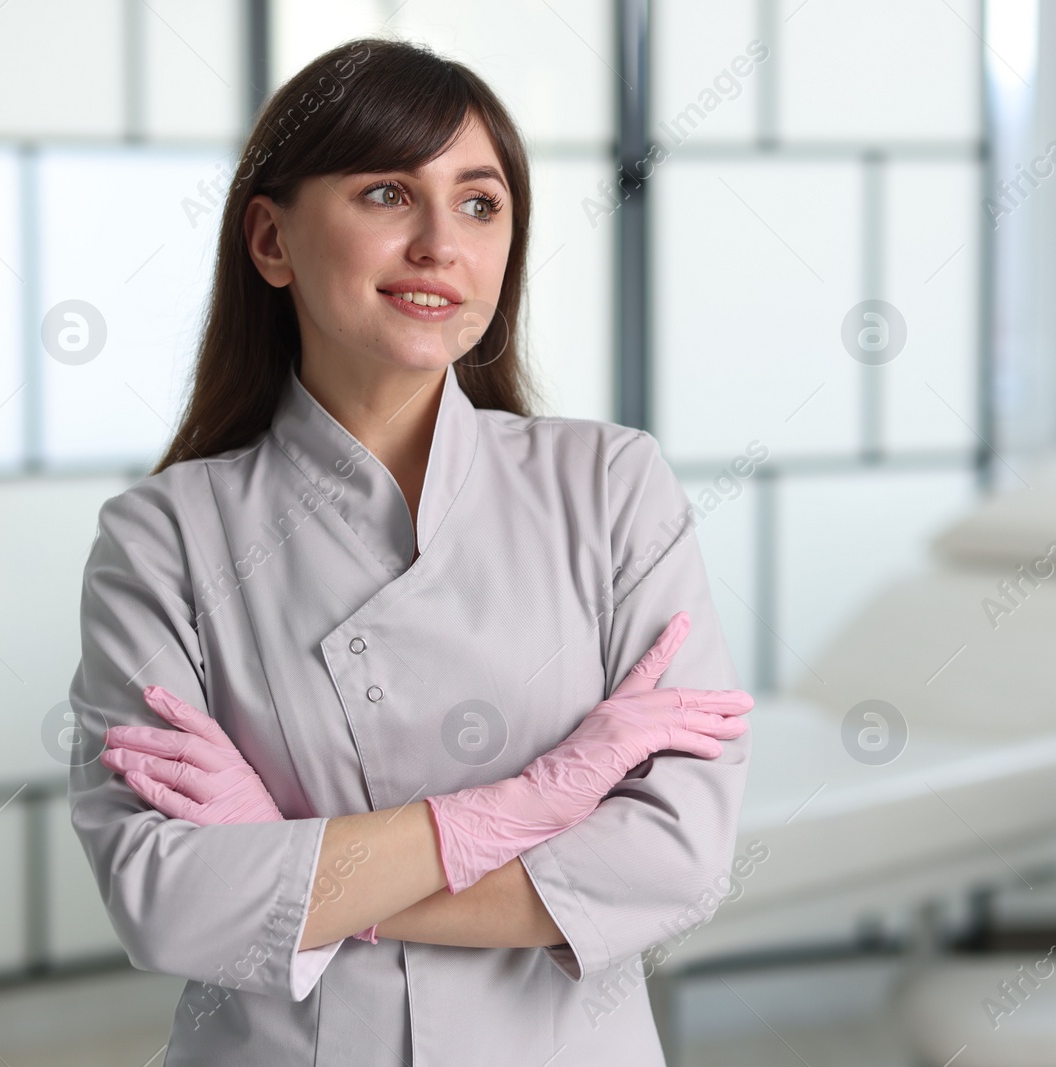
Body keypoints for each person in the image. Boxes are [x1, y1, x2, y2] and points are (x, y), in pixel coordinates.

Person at [66, 36, 753, 1065]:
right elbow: (165, 900)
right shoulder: (162, 535)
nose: (442, 242)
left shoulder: (611, 487)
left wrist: (294, 866)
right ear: (271, 240)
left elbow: (674, 858)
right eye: (388, 194)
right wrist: (524, 806)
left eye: (480, 204)